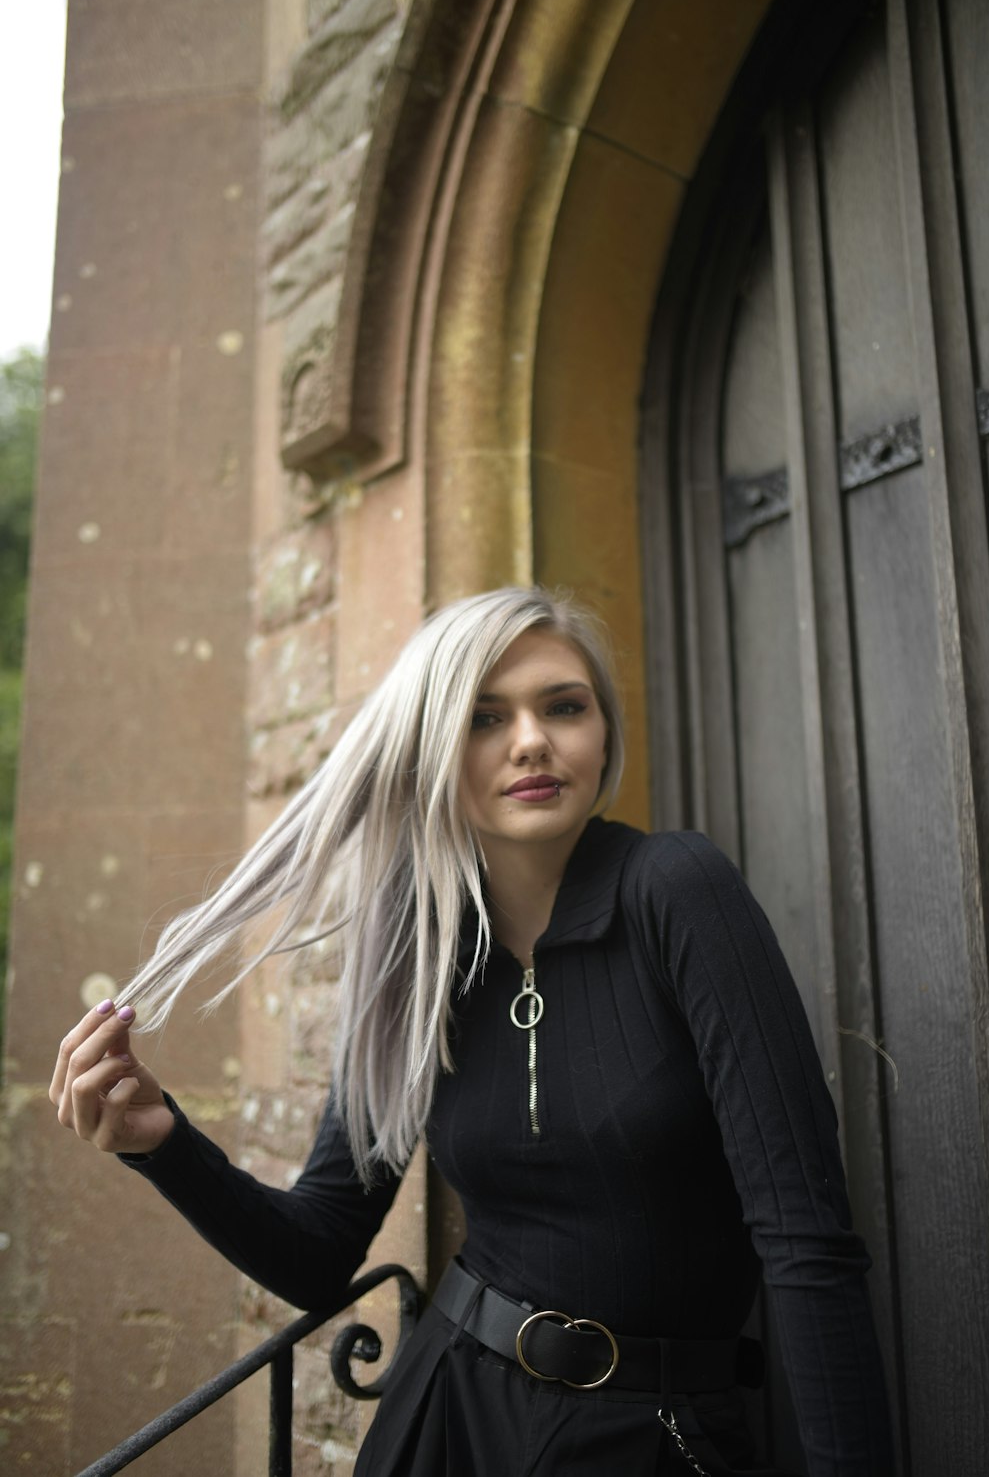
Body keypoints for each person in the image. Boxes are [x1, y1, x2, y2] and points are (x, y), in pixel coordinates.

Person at [50, 586, 894, 1475]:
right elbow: (320, 1251)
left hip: (654, 1434)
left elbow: (807, 1241)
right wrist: (163, 1146)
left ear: (601, 732)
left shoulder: (676, 891)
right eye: (484, 717)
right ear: (432, 753)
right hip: (446, 1416)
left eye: (563, 706)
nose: (531, 739)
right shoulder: (419, 954)